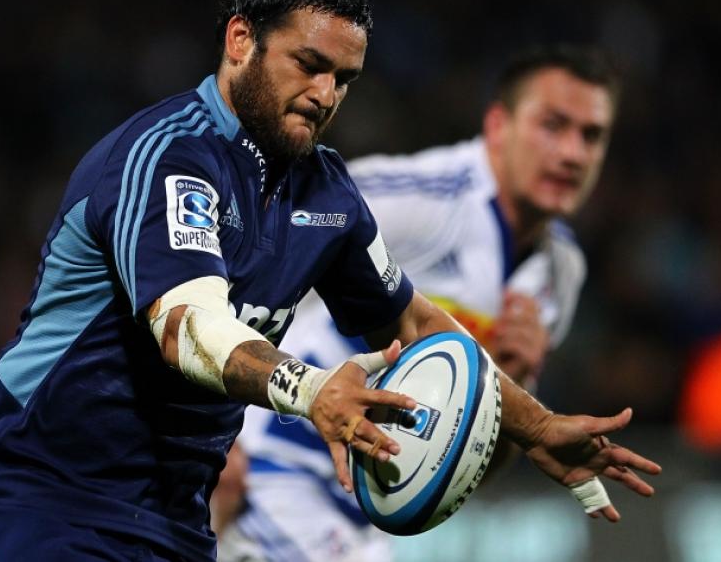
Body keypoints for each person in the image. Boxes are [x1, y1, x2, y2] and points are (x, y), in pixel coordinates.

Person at [0, 0, 660, 562]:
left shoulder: (328, 192)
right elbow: (188, 325)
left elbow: (408, 317)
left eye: (343, 79)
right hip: (40, 497)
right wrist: (312, 390)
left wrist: (536, 428)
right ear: (240, 39)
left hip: (173, 517)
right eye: (309, 65)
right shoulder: (168, 158)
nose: (324, 95)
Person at [218, 44, 622, 562]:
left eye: (592, 136)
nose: (572, 153)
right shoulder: (416, 200)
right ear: (499, 125)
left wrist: (514, 383)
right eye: (553, 125)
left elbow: (471, 467)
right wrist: (210, 433)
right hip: (267, 469)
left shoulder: (561, 275)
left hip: (359, 516)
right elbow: (236, 244)